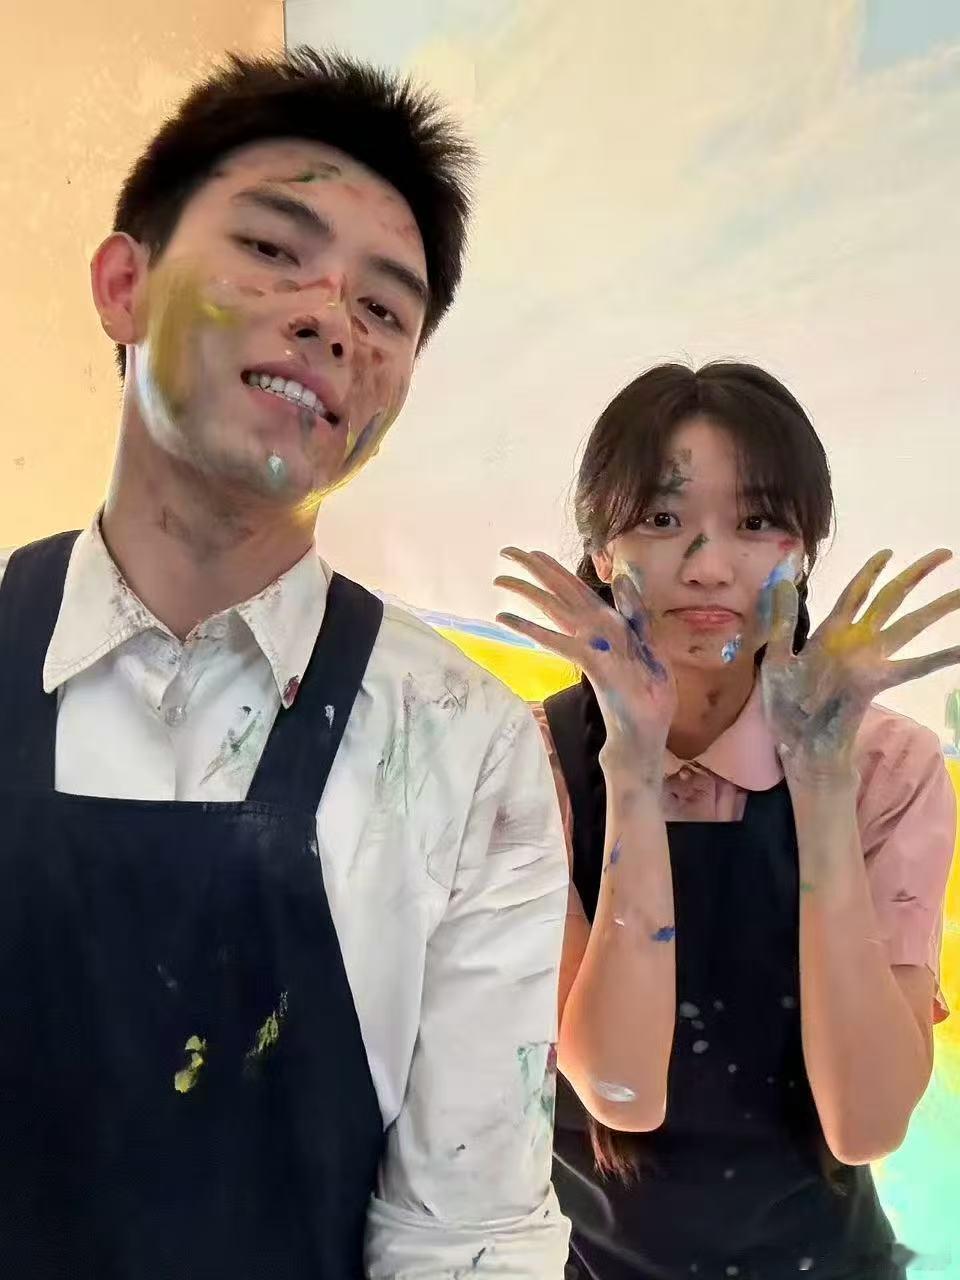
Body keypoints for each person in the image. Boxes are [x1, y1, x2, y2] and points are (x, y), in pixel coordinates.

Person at [0, 49, 570, 1278]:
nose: (330, 319)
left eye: (385, 310)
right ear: (123, 284)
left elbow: (468, 1234)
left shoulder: (465, 744)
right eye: (271, 249)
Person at [494, 362, 959, 1279]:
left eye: (754, 523)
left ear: (804, 550)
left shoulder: (888, 767)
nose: (708, 566)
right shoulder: (530, 761)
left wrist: (819, 781)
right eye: (662, 520)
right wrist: (633, 764)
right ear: (601, 552)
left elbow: (867, 1126)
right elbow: (621, 1092)